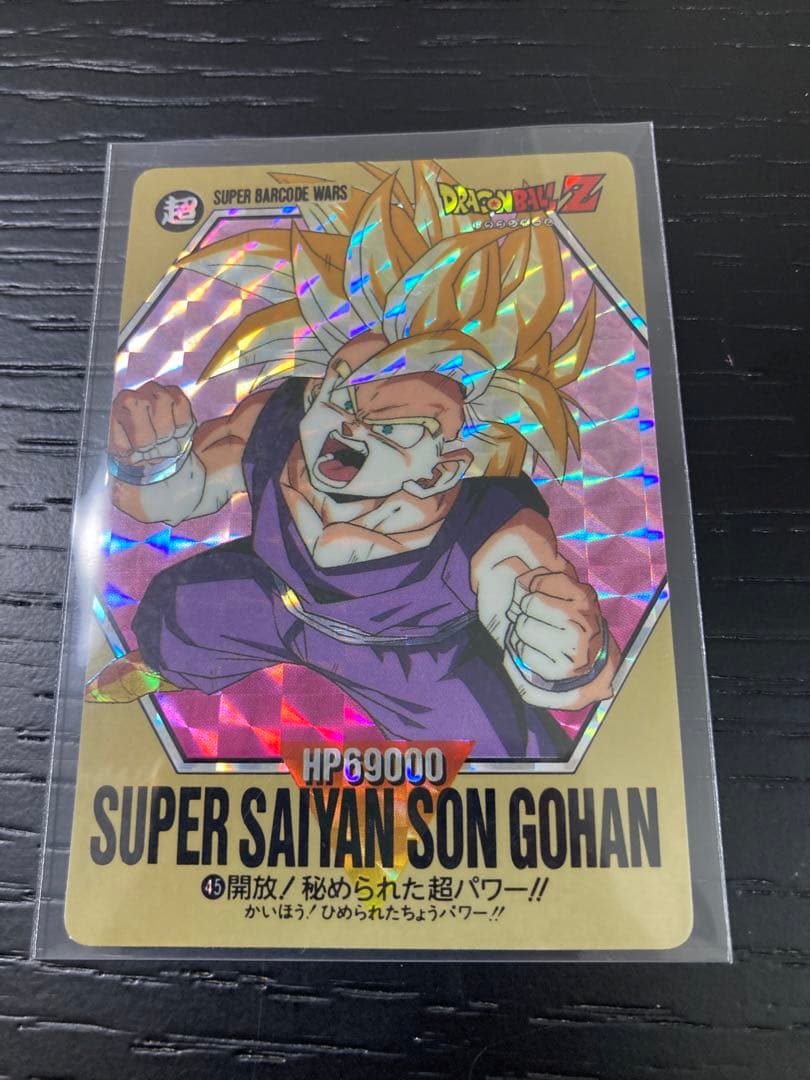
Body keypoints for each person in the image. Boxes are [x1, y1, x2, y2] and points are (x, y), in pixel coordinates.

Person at [90, 161, 618, 758]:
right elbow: (170, 496)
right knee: (180, 615)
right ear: (317, 388)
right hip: (273, 600)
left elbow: (532, 600)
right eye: (341, 397)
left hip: (415, 661)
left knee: (505, 753)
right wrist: (149, 455)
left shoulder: (489, 515)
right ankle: (163, 668)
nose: (350, 430)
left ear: (442, 468)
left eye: (391, 428)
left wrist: (568, 654)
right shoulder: (277, 422)